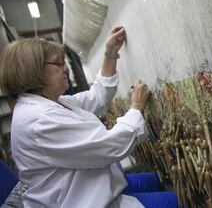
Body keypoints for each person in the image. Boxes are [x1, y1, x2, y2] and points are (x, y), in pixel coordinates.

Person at [0, 27, 178, 208]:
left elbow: (96, 97)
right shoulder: (40, 121)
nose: (66, 69)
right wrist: (137, 107)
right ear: (34, 71)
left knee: (153, 180)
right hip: (80, 201)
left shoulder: (50, 103)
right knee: (174, 202)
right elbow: (109, 146)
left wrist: (110, 54)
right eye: (58, 64)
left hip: (88, 186)